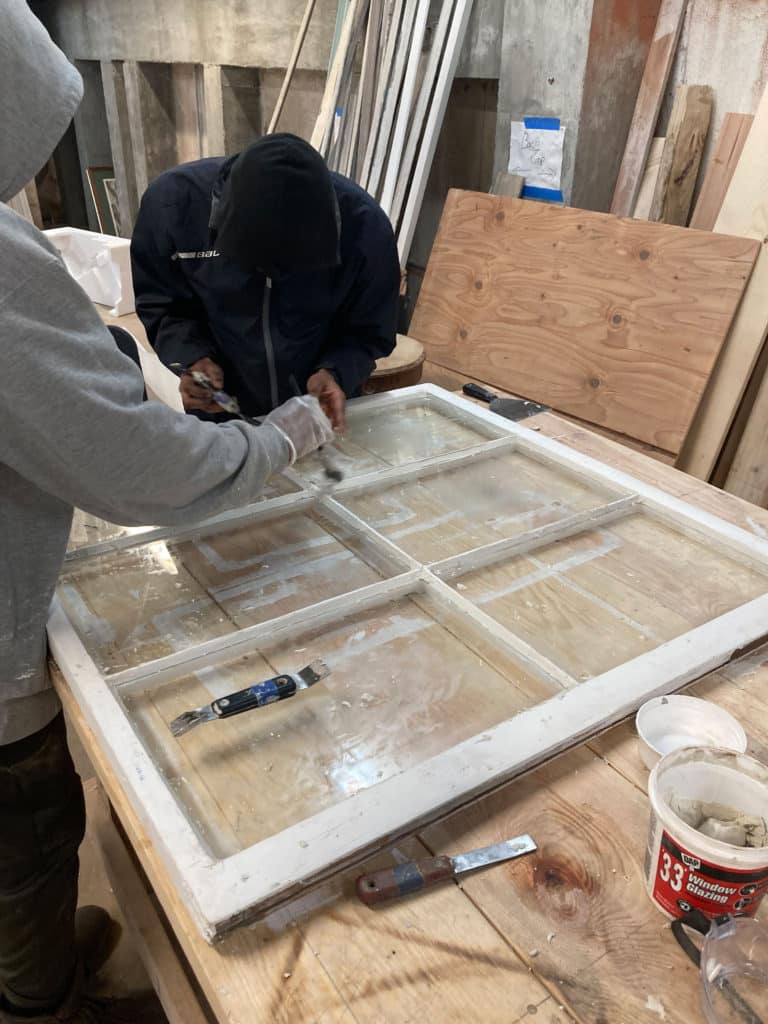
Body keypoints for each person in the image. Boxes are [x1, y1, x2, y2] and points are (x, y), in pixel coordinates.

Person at [0, 5, 335, 1022]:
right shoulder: (160, 217)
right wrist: (276, 439)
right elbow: (137, 468)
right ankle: (38, 994)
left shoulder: (349, 222)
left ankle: (36, 955)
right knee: (29, 818)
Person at [130, 132, 401, 433]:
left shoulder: (365, 229)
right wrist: (193, 358)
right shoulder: (173, 209)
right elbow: (164, 305)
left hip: (317, 412)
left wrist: (336, 372)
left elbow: (369, 330)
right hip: (222, 410)